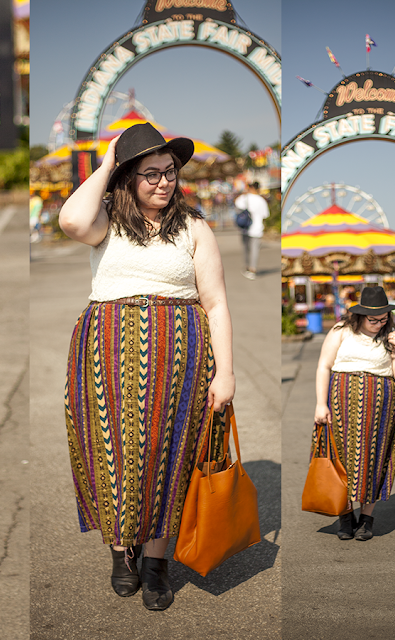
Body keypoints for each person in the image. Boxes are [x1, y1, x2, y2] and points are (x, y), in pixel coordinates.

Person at [59, 123, 235, 610]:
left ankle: (156, 563)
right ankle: (122, 551)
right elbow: (72, 221)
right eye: (150, 174)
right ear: (127, 179)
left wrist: (227, 372)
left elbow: (216, 303)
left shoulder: (195, 226)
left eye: (170, 172)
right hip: (106, 348)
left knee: (169, 450)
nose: (163, 182)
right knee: (110, 447)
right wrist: (106, 164)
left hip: (180, 349)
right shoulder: (106, 224)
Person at [313, 286, 395, 541]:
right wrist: (320, 404)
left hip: (380, 405)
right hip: (341, 402)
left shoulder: (390, 335)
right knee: (341, 459)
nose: (379, 324)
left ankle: (367, 519)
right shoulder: (340, 331)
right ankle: (345, 517)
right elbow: (324, 366)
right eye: (374, 319)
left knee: (375, 458)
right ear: (360, 316)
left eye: (383, 319)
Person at [234, 181, 269, 280]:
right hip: (257, 229)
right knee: (255, 249)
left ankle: (247, 266)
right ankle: (252, 269)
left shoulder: (244, 198)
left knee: (246, 248)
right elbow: (265, 215)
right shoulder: (261, 200)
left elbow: (236, 205)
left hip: (245, 227)